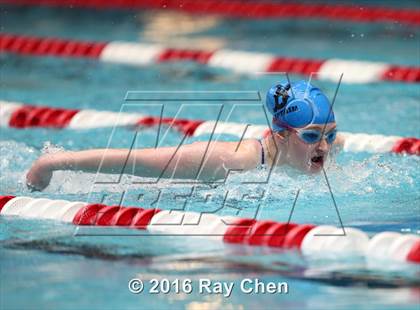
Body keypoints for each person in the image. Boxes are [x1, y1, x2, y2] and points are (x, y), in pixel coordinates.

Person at [26, 80, 342, 191]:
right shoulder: (229, 160)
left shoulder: (327, 147)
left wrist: (327, 138)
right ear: (282, 135)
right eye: (313, 136)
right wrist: (53, 163)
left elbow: (337, 143)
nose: (325, 147)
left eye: (330, 134)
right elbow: (132, 160)